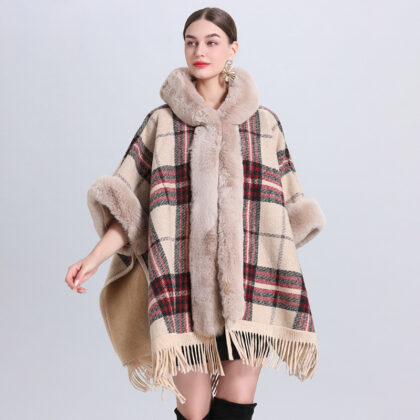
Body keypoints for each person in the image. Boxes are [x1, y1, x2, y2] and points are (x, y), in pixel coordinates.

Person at [65, 7, 326, 420]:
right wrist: (93, 258)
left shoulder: (264, 125)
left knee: (237, 404)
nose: (199, 51)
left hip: (252, 286)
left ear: (232, 49)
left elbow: (288, 209)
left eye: (211, 42)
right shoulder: (161, 123)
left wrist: (265, 256)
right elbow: (130, 206)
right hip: (180, 288)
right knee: (195, 411)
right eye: (191, 42)